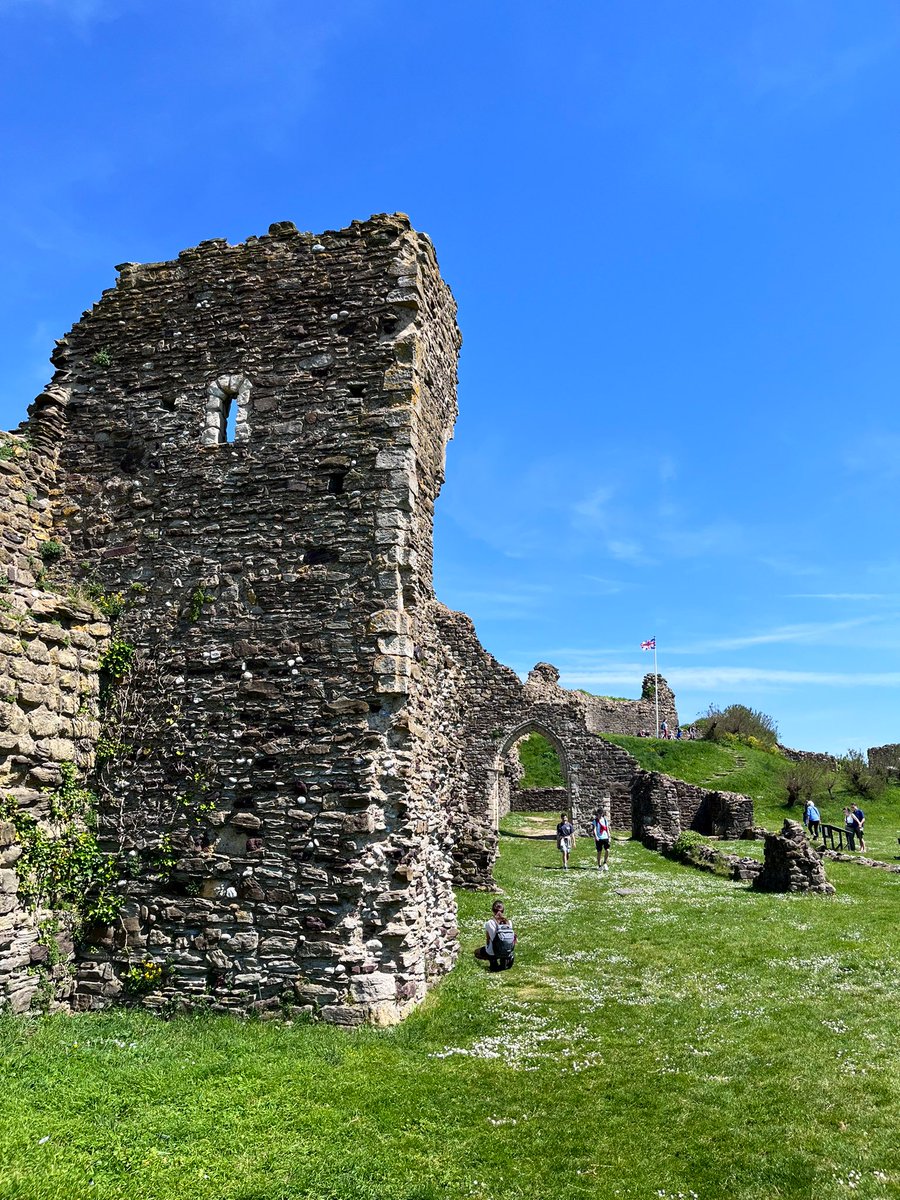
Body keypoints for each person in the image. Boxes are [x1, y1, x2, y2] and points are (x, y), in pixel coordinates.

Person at [474, 899, 516, 972]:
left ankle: (493, 960)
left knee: (477, 952)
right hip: (507, 950)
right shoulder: (509, 922)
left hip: (493, 951)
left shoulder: (489, 923)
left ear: (492, 910)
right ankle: (504, 960)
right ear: (503, 911)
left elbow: (488, 940)